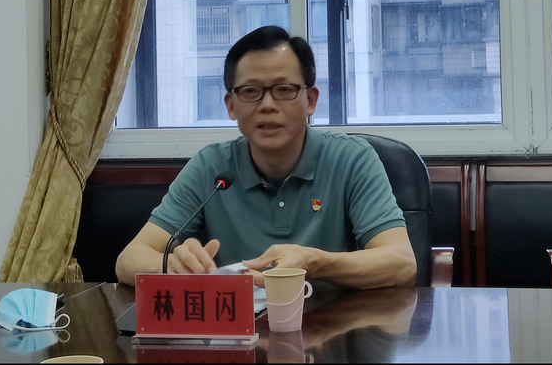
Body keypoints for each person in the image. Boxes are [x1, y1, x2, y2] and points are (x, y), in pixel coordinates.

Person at [115, 26, 417, 289]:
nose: (267, 105)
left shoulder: (352, 160)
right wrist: (172, 266)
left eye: (284, 89)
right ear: (231, 105)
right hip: (234, 329)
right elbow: (128, 260)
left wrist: (314, 262)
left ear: (310, 100)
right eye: (250, 91)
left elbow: (402, 263)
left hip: (334, 327)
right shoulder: (211, 167)